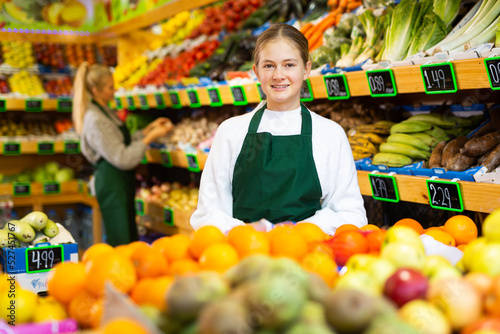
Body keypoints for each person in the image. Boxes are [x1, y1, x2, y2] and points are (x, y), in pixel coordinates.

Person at [190, 24, 367, 235]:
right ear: (256, 71)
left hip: (311, 256)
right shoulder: (230, 132)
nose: (278, 75)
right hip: (245, 255)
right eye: (269, 66)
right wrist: (254, 233)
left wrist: (294, 232)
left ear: (306, 69)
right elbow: (208, 213)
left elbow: (351, 215)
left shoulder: (330, 134)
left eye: (289, 65)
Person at [73, 62, 173, 246]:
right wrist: (149, 138)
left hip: (120, 182)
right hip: (112, 184)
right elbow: (122, 157)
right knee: (122, 242)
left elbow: (120, 139)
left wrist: (148, 129)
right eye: (110, 88)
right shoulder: (95, 119)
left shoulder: (105, 110)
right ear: (95, 90)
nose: (114, 91)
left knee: (129, 237)